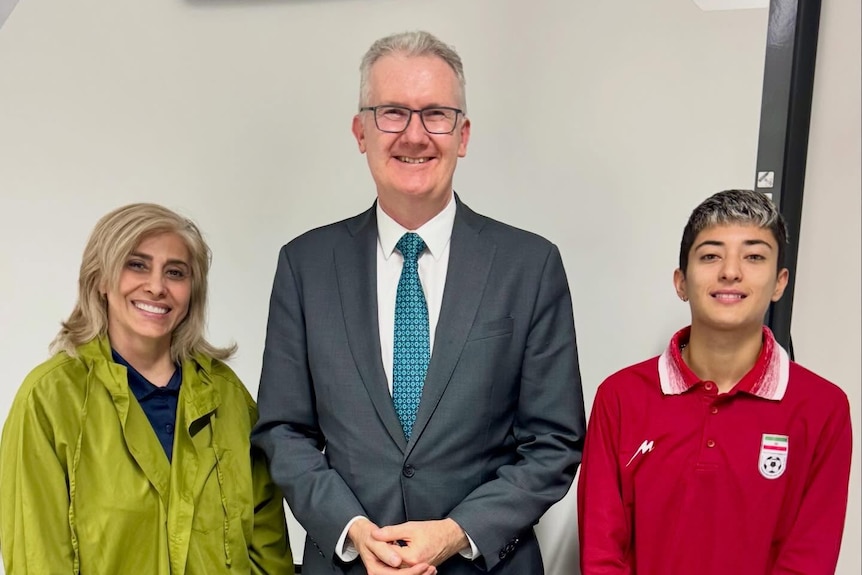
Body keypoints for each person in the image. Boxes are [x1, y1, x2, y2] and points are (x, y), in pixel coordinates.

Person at [252, 30, 585, 575]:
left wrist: (456, 534)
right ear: (361, 131)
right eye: (392, 113)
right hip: (348, 564)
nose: (414, 134)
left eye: (435, 114)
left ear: (463, 134)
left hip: (483, 566)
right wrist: (354, 532)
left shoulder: (530, 265)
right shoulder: (305, 265)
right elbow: (283, 431)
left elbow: (554, 441)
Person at [0, 203, 294, 575]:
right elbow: (37, 559)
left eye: (175, 272)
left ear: (192, 291)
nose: (157, 287)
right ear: (101, 279)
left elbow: (269, 551)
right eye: (136, 264)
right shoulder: (49, 399)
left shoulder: (228, 397)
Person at [577, 189, 852, 575]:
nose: (730, 271)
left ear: (779, 282)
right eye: (710, 255)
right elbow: (602, 551)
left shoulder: (823, 408)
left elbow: (810, 557)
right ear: (681, 282)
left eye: (754, 256)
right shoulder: (620, 396)